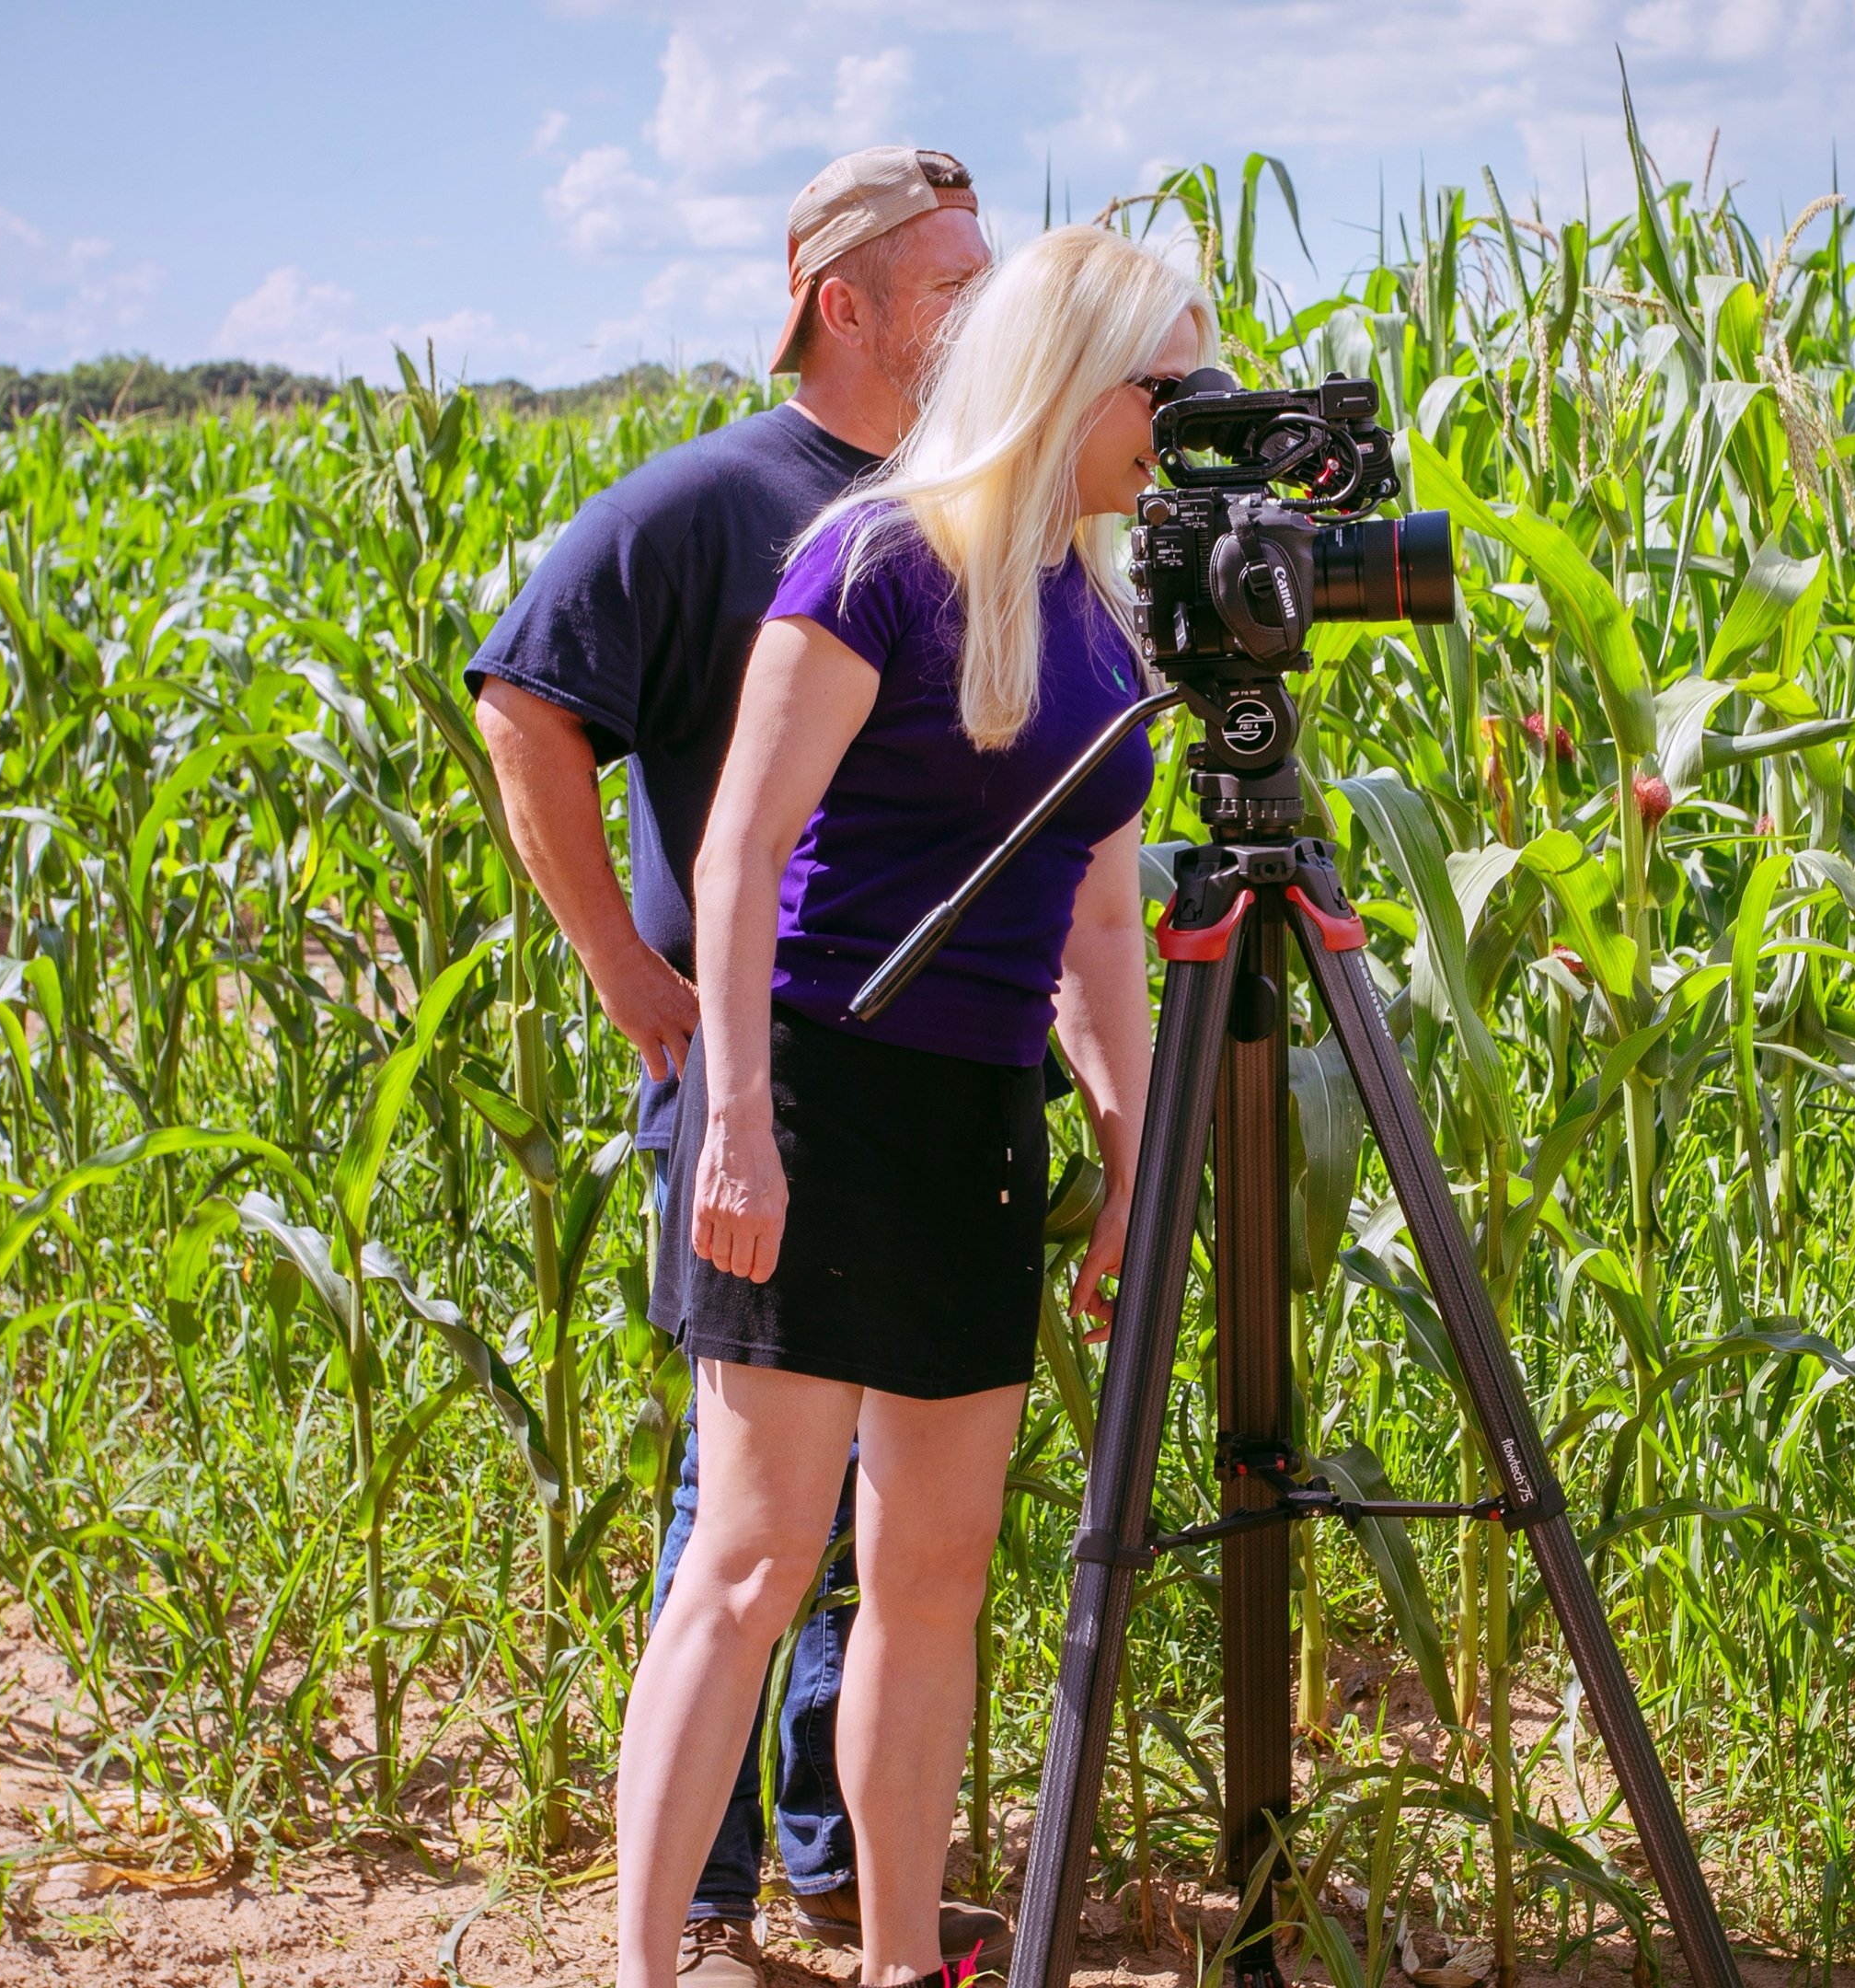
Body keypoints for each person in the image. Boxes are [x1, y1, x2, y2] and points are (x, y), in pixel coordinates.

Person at [616, 225, 1207, 1988]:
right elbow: (740, 849)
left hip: (971, 1122)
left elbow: (1101, 923)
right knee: (752, 1560)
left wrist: (1126, 1158)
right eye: (1162, 389)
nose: (1181, 426)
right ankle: (645, 1967)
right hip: (818, 1085)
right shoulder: (872, 560)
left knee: (931, 1582)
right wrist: (738, 1124)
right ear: (1071, 373)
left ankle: (891, 1962)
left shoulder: (1100, 616)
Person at [467, 148, 996, 1988]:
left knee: (878, 1517)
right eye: (951, 286)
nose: (983, 314)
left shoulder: (967, 507)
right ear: (842, 303)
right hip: (760, 1081)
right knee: (748, 1516)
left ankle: (827, 1869)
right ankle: (686, 1908)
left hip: (925, 1083)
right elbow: (525, 698)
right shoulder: (712, 504)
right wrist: (621, 962)